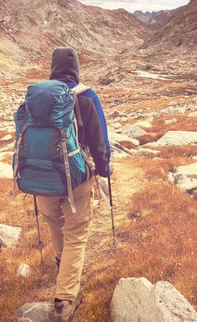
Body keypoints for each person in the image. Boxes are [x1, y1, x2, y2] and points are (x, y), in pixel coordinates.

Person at [37, 47, 111, 322]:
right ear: (76, 68)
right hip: (75, 178)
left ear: (52, 67)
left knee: (55, 224)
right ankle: (66, 299)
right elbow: (99, 140)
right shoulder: (86, 96)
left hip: (41, 176)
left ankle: (62, 265)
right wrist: (102, 170)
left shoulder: (37, 96)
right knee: (76, 232)